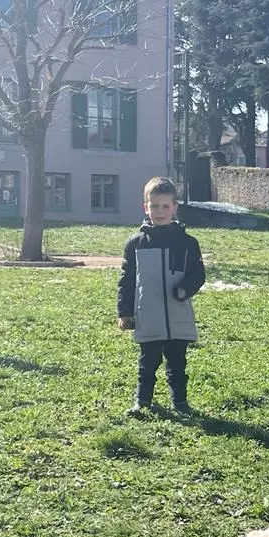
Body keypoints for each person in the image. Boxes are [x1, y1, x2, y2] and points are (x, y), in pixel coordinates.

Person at [117, 177, 206, 415]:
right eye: (154, 206)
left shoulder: (188, 243)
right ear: (146, 207)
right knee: (147, 364)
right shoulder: (135, 244)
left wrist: (184, 289)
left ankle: (180, 403)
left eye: (165, 206)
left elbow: (198, 275)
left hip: (178, 317)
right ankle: (142, 401)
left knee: (177, 364)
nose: (160, 211)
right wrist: (124, 312)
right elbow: (126, 280)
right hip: (148, 315)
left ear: (175, 208)